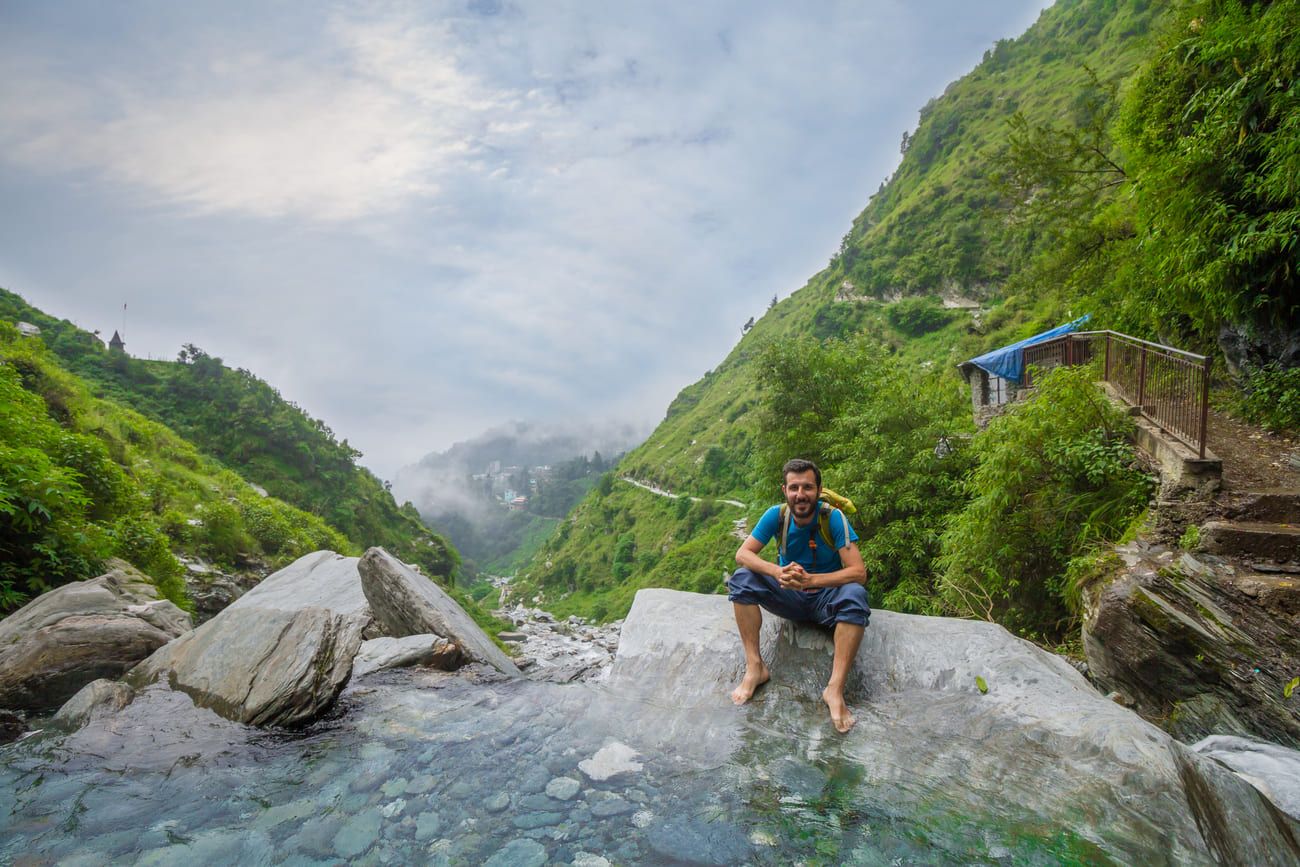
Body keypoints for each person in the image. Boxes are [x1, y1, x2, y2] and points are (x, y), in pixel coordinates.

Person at [727, 458, 869, 733]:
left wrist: (812, 580)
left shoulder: (833, 518)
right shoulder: (776, 516)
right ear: (785, 490)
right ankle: (755, 666)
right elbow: (742, 554)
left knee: (855, 594)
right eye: (794, 488)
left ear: (818, 489)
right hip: (789, 598)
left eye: (807, 487)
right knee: (742, 579)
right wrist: (777, 572)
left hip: (827, 600)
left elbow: (858, 572)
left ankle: (834, 689)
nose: (800, 495)